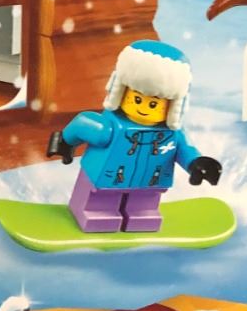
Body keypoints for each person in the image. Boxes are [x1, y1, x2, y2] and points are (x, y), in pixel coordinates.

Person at [50, 40, 221, 234]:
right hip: (106, 179)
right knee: (100, 202)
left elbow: (185, 149)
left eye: (154, 104)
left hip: (150, 182)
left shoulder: (172, 135)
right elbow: (83, 124)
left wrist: (197, 163)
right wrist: (63, 141)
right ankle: (95, 213)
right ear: (122, 92)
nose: (144, 107)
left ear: (172, 105)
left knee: (143, 204)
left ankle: (141, 215)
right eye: (137, 99)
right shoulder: (108, 126)